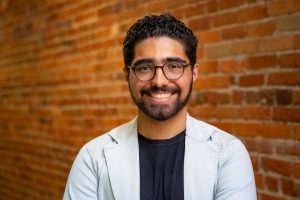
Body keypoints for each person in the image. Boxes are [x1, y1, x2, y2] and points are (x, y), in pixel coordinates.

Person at [63, 14, 257, 200]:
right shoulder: (93, 158)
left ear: (194, 73)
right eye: (145, 68)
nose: (159, 81)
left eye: (174, 66)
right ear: (127, 75)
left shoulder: (228, 154)